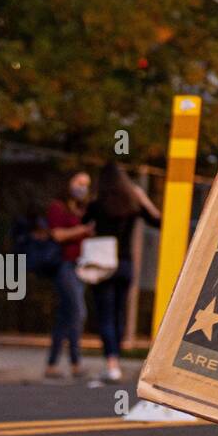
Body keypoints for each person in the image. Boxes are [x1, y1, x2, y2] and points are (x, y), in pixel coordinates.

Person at [84, 162, 160, 383]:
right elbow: (158, 221)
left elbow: (84, 224)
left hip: (103, 263)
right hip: (125, 264)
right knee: (118, 314)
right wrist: (144, 199)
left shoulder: (98, 205)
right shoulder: (132, 203)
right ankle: (116, 359)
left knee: (105, 315)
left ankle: (112, 363)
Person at [45, 171, 93, 378]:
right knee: (78, 312)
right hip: (65, 266)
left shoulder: (83, 210)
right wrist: (82, 230)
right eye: (79, 182)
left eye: (86, 184)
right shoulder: (58, 207)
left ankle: (52, 364)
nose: (82, 187)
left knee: (65, 317)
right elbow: (57, 234)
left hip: (81, 267)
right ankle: (75, 363)